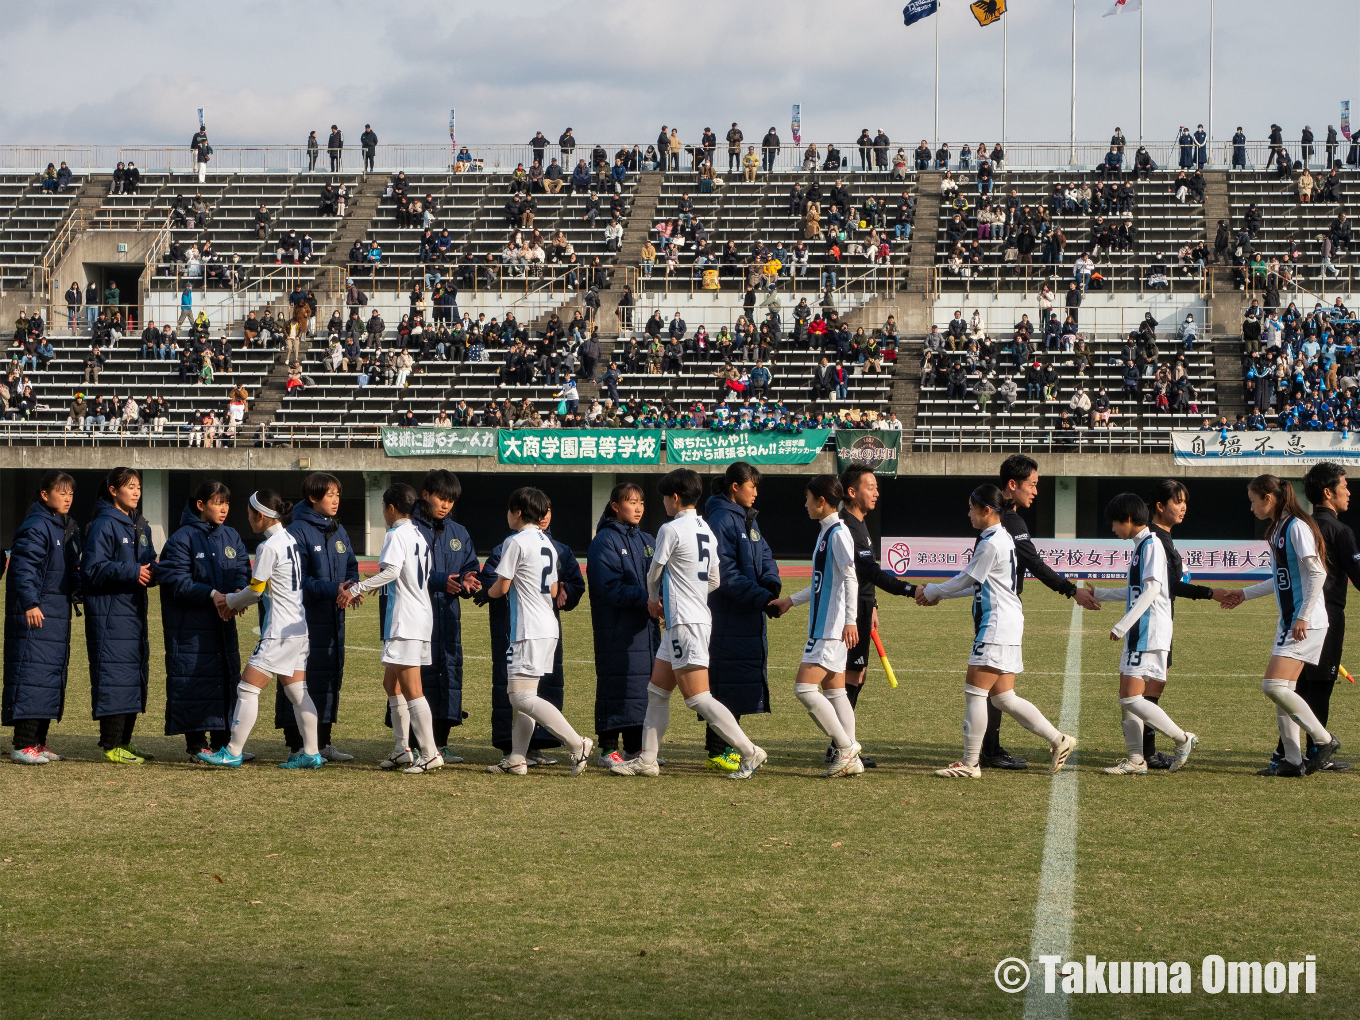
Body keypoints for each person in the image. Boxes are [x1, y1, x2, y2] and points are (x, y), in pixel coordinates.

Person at [611, 469, 766, 779]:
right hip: (691, 620)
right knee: (657, 692)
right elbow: (715, 579)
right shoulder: (706, 529)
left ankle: (750, 751)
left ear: (675, 498)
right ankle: (647, 760)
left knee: (697, 697)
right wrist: (689, 594)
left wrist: (656, 600)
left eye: (665, 498)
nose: (664, 504)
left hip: (684, 622)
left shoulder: (671, 529)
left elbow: (654, 572)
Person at [917, 484, 1077, 779]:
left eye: (970, 508)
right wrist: (938, 594)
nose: (968, 514)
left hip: (997, 624)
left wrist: (932, 590)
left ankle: (970, 763)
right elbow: (977, 583)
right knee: (1003, 697)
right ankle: (1059, 740)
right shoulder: (998, 537)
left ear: (986, 510)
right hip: (1007, 621)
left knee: (975, 692)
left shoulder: (991, 541)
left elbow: (967, 578)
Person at [981, 455, 1099, 769]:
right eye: (1032, 485)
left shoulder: (1000, 519)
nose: (1035, 491)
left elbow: (1029, 563)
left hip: (994, 611)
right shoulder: (1008, 521)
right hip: (998, 612)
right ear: (1012, 485)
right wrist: (1071, 590)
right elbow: (1034, 564)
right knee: (990, 688)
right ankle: (988, 751)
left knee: (993, 689)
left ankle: (990, 751)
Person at [198, 490, 325, 770]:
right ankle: (312, 752)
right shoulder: (290, 539)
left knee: (247, 688)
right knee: (298, 693)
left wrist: (228, 601)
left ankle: (232, 752)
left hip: (279, 631)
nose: (248, 519)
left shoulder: (270, 546)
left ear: (261, 515)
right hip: (298, 628)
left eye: (248, 514)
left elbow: (256, 590)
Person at [1227, 475, 1342, 777]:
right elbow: (1281, 580)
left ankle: (1324, 739)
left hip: (1307, 622)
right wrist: (1244, 595)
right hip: (1291, 622)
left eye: (1253, 500)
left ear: (1268, 498)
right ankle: (1292, 760)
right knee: (1283, 689)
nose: (1251, 507)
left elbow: (1317, 573)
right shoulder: (1278, 528)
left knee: (1273, 686)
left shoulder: (1296, 526)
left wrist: (1303, 615)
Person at [1083, 493, 1199, 775]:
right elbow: (1134, 591)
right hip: (1141, 631)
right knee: (1127, 699)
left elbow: (1152, 590)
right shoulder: (1142, 546)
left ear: (1129, 520)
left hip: (1147, 631)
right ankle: (1136, 760)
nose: (1112, 529)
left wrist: (1121, 626)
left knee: (1131, 698)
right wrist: (1101, 594)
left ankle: (1182, 739)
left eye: (1114, 522)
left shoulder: (1151, 546)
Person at [483, 488, 593, 776]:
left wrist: (487, 591)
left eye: (509, 510)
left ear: (518, 512)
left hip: (528, 629)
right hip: (547, 627)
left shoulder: (516, 542)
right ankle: (517, 757)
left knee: (520, 698)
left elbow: (501, 586)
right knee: (526, 695)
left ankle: (576, 742)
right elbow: (555, 589)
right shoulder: (547, 542)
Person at [336, 484, 444, 773]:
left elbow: (393, 571)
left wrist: (357, 587)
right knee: (391, 684)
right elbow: (403, 575)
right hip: (418, 617)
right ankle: (402, 749)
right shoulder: (419, 535)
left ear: (390, 508)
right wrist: (383, 581)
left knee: (412, 689)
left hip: (406, 620)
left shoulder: (396, 533)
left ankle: (430, 752)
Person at [1261, 463, 1359, 773]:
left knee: (1291, 686)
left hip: (1301, 615)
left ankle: (1288, 755)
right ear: (1328, 492)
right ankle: (1320, 747)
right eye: (1344, 486)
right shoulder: (1337, 530)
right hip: (1318, 617)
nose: (1349, 492)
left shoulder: (1296, 525)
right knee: (1315, 687)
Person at [769, 475, 862, 777]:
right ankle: (853, 757)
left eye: (808, 498)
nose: (805, 503)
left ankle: (846, 748)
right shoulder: (827, 532)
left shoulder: (837, 533)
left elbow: (850, 577)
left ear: (822, 501)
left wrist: (850, 621)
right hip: (827, 625)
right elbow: (824, 582)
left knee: (804, 688)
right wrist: (791, 601)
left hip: (830, 627)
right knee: (836, 692)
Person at [157, 480, 251, 759]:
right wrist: (212, 594)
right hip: (191, 629)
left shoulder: (232, 535)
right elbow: (175, 580)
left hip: (223, 624)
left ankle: (224, 745)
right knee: (193, 682)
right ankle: (196, 746)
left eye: (227, 503)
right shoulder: (181, 538)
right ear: (201, 505)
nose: (223, 509)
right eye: (217, 503)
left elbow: (242, 569)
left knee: (226, 679)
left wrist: (237, 593)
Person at [698, 462, 781, 771]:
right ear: (735, 487)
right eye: (752, 486)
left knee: (737, 681)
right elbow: (725, 571)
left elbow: (766, 555)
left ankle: (725, 748)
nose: (755, 493)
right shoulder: (721, 518)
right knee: (723, 683)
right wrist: (763, 598)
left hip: (747, 615)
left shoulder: (747, 519)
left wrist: (771, 585)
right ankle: (717, 751)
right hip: (726, 615)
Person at [836, 465, 917, 767]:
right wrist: (910, 590)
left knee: (856, 675)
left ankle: (843, 744)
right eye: (870, 486)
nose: (876, 492)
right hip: (849, 612)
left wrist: (874, 607)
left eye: (877, 486)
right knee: (844, 677)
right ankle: (840, 746)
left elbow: (864, 576)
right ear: (852, 492)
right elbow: (869, 571)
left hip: (862, 609)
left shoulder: (859, 523)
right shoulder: (845, 526)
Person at [281, 473, 359, 762]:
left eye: (338, 494)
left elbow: (351, 565)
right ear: (313, 498)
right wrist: (331, 589)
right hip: (303, 621)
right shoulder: (297, 531)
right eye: (330, 495)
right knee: (302, 681)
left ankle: (323, 742)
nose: (336, 500)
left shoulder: (338, 531)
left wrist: (352, 587)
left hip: (333, 620)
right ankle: (297, 744)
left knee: (328, 677)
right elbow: (295, 581)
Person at [82, 467, 159, 764]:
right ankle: (112, 744)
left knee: (133, 675)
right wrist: (132, 571)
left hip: (133, 611)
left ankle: (125, 742)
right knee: (115, 676)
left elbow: (147, 561)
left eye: (139, 486)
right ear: (113, 491)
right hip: (110, 612)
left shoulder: (140, 525)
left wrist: (156, 571)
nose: (137, 491)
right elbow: (92, 569)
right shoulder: (104, 524)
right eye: (130, 486)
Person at [3, 471, 80, 764]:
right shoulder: (37, 526)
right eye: (61, 493)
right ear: (44, 495)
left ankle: (39, 741)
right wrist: (30, 603)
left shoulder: (62, 526)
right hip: (37, 613)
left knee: (48, 676)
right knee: (32, 675)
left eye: (70, 493)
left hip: (55, 614)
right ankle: (23, 745)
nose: (67, 498)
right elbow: (23, 569)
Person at [405, 470, 481, 759]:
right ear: (425, 495)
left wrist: (469, 582)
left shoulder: (459, 532)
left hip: (448, 616)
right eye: (441, 498)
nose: (446, 505)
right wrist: (439, 580)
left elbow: (470, 566)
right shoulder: (409, 529)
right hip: (416, 616)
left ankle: (442, 741)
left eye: (451, 500)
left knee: (448, 673)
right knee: (418, 676)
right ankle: (413, 743)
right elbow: (404, 573)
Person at [586, 482, 660, 768]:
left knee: (641, 686)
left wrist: (661, 599)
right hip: (616, 627)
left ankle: (634, 748)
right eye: (631, 502)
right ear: (616, 506)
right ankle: (607, 749)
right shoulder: (604, 541)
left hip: (645, 627)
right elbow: (609, 586)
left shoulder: (647, 540)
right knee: (616, 683)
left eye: (641, 502)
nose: (638, 507)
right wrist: (647, 599)